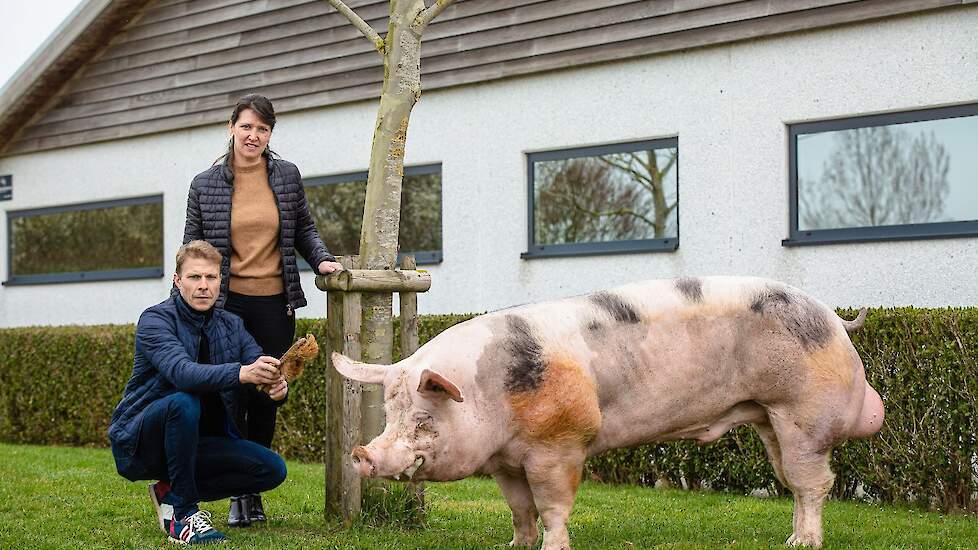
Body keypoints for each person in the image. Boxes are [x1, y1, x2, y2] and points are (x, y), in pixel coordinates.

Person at [182, 93, 343, 526]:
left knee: (267, 394)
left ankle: (253, 490)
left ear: (270, 134)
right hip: (226, 307)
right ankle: (238, 493)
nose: (254, 135)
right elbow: (192, 246)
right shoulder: (205, 184)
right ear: (231, 127)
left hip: (275, 303)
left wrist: (322, 259)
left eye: (263, 129)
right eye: (247, 126)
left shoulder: (286, 176)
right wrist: (188, 295)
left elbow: (304, 227)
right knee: (232, 394)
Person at [109, 240, 289, 545]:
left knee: (272, 469)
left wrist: (276, 387)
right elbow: (183, 373)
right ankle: (183, 514)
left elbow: (257, 369)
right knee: (183, 401)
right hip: (141, 442)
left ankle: (171, 490)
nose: (203, 286)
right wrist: (242, 372)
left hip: (200, 442)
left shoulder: (232, 324)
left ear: (221, 281)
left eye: (210, 277)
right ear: (178, 281)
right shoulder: (155, 320)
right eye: (194, 277)